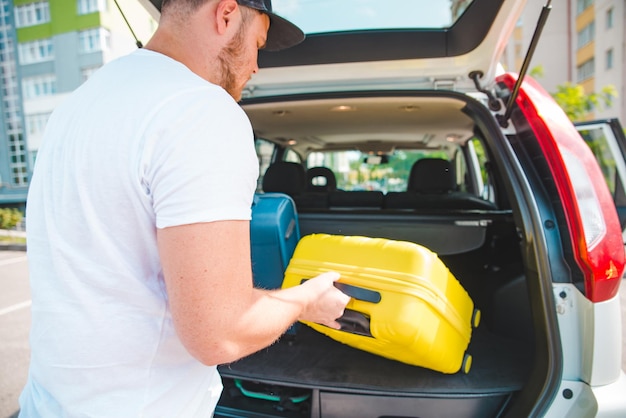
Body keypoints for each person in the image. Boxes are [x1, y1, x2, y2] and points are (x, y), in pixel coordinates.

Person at [18, 0, 351, 416]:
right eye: (257, 44)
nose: (255, 66)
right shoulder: (200, 111)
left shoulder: (77, 106)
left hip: (48, 402)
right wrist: (306, 301)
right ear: (225, 15)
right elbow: (220, 334)